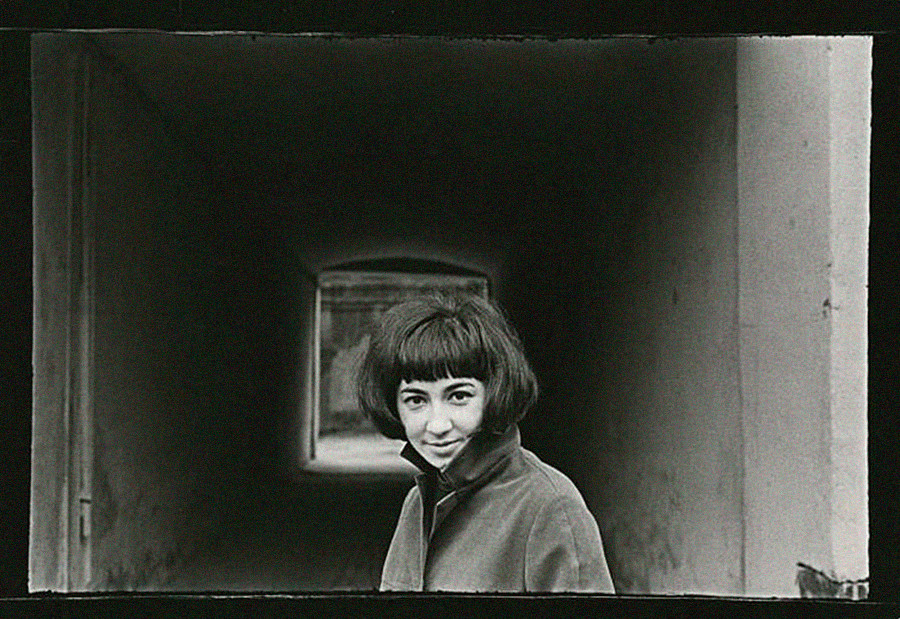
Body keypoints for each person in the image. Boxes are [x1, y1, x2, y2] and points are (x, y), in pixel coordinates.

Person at [357, 292, 615, 593]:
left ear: (494, 394)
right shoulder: (417, 502)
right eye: (416, 400)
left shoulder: (551, 507)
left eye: (458, 396)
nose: (437, 425)